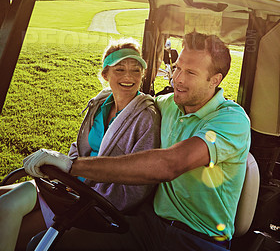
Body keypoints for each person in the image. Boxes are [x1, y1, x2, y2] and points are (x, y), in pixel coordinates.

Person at [27, 31, 251, 251]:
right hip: (149, 225)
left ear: (215, 80)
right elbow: (132, 104)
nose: (177, 79)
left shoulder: (231, 119)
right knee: (48, 243)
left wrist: (71, 166)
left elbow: (170, 164)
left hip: (198, 239)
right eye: (178, 68)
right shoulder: (168, 104)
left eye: (190, 72)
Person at [0, 38, 161, 251]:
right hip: (69, 185)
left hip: (93, 202)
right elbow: (78, 149)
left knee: (11, 215)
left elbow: (138, 185)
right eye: (120, 69)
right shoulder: (100, 104)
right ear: (105, 74)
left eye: (136, 70)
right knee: (4, 201)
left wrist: (87, 195)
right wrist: (67, 175)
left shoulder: (146, 118)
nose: (129, 77)